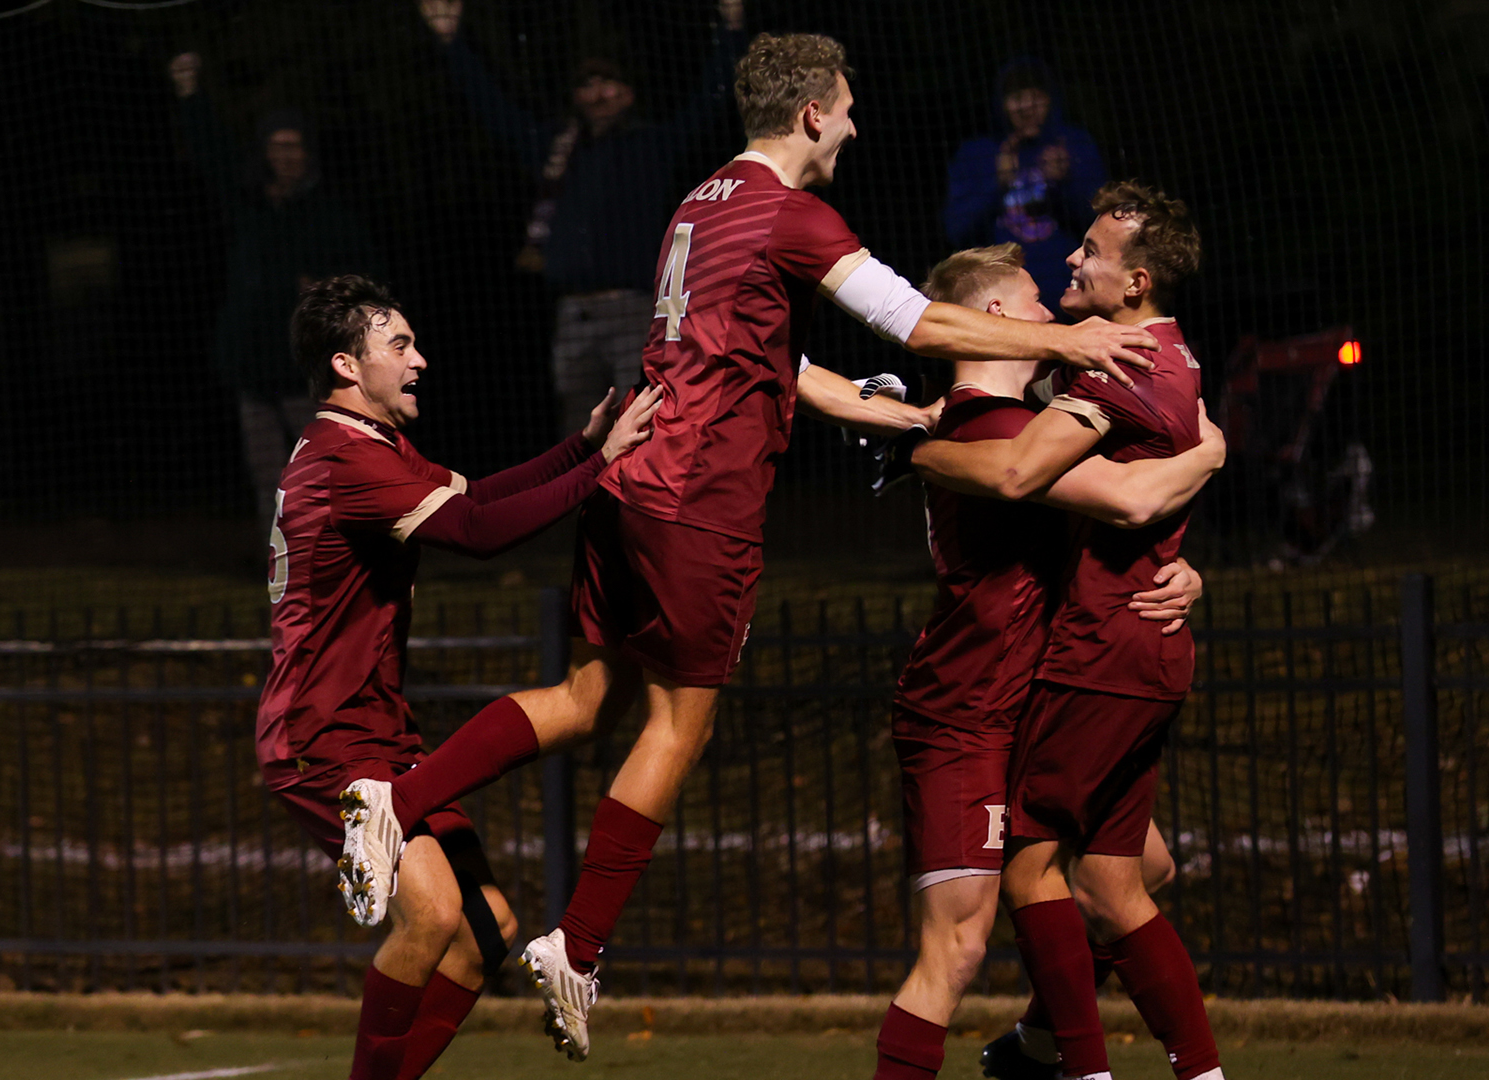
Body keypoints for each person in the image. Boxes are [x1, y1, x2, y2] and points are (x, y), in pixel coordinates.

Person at [333, 32, 1164, 1063]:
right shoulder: (794, 212)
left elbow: (771, 353)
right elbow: (914, 324)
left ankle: (394, 800)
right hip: (701, 503)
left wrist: (887, 419)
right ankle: (577, 948)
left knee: (588, 698)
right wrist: (1069, 342)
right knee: (678, 727)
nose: (856, 127)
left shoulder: (700, 203)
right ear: (812, 113)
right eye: (849, 109)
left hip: (631, 479)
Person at [257, 275, 659, 1080]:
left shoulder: (369, 448)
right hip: (322, 733)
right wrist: (599, 469)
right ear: (346, 365)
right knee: (435, 916)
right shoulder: (346, 462)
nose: (420, 360)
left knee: (486, 935)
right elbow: (476, 532)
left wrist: (582, 449)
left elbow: (472, 495)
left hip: (377, 726)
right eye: (399, 346)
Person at [870, 244, 1226, 1080]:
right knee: (956, 948)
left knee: (1141, 870)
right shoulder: (992, 428)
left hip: (1028, 699)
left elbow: (1117, 524)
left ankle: (1038, 1044)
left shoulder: (1005, 420)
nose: (1053, 315)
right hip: (965, 715)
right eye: (1035, 301)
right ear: (996, 319)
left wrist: (1187, 572)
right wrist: (1210, 454)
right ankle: (1073, 1061)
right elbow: (1132, 496)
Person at [420, 0, 747, 441]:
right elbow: (492, 109)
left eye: (609, 82)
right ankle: (585, 506)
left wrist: (731, 27)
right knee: (580, 429)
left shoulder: (651, 144)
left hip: (635, 309)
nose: (599, 92)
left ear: (630, 91)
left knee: (643, 417)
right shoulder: (559, 150)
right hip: (572, 312)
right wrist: (450, 41)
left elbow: (712, 97)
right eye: (588, 84)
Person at [168, 51, 381, 522]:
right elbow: (212, 153)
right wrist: (190, 93)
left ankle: (337, 561)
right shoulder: (251, 206)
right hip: (253, 370)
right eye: (277, 146)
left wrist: (329, 290)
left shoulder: (329, 215)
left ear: (308, 152)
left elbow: (365, 281)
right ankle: (282, 572)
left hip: (305, 372)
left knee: (323, 475)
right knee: (269, 479)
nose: (286, 155)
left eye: (294, 146)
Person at [944, 59, 1107, 315]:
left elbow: (1100, 224)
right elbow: (956, 231)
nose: (1027, 105)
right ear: (1002, 103)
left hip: (1074, 294)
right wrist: (997, 183)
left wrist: (1065, 181)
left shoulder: (1073, 144)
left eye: (1036, 95)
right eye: (1016, 96)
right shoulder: (978, 153)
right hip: (1005, 300)